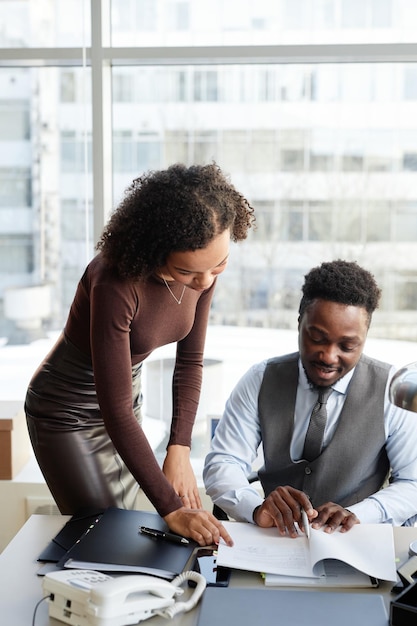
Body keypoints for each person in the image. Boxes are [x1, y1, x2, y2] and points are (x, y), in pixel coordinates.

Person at [25, 162, 255, 546]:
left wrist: (178, 446)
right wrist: (173, 508)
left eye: (220, 264)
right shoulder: (115, 282)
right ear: (155, 249)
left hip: (124, 402)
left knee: (147, 534)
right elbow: (112, 410)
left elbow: (189, 362)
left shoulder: (204, 270)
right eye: (188, 271)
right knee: (109, 537)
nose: (206, 281)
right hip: (67, 413)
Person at [204, 260, 417, 537]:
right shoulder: (260, 379)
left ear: (365, 338)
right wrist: (257, 508)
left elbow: (413, 483)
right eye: (317, 338)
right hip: (274, 541)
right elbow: (224, 462)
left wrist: (360, 513)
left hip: (356, 543)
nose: (328, 356)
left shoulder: (393, 390)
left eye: (347, 346)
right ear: (299, 323)